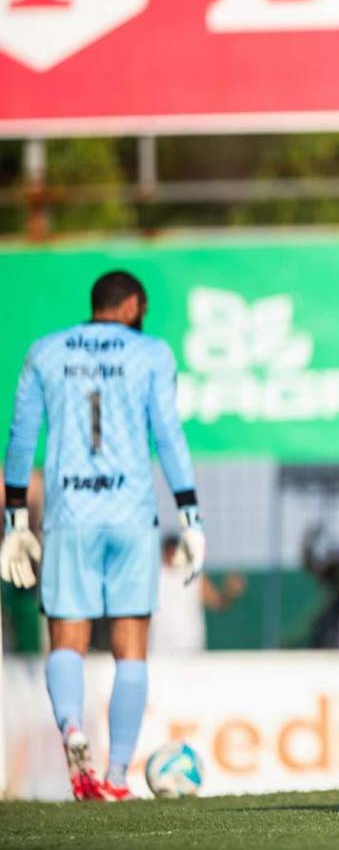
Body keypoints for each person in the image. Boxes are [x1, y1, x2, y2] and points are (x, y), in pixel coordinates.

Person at [0, 271, 206, 801]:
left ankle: (72, 731)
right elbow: (167, 434)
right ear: (134, 304)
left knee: (66, 640)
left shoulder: (45, 351)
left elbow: (21, 436)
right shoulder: (151, 353)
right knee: (130, 647)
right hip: (131, 515)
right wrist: (190, 514)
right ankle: (116, 776)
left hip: (70, 513)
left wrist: (16, 519)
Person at [150, 535, 244, 655]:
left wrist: (230, 592)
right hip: (159, 652)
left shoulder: (194, 575)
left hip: (191, 650)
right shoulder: (153, 577)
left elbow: (218, 602)